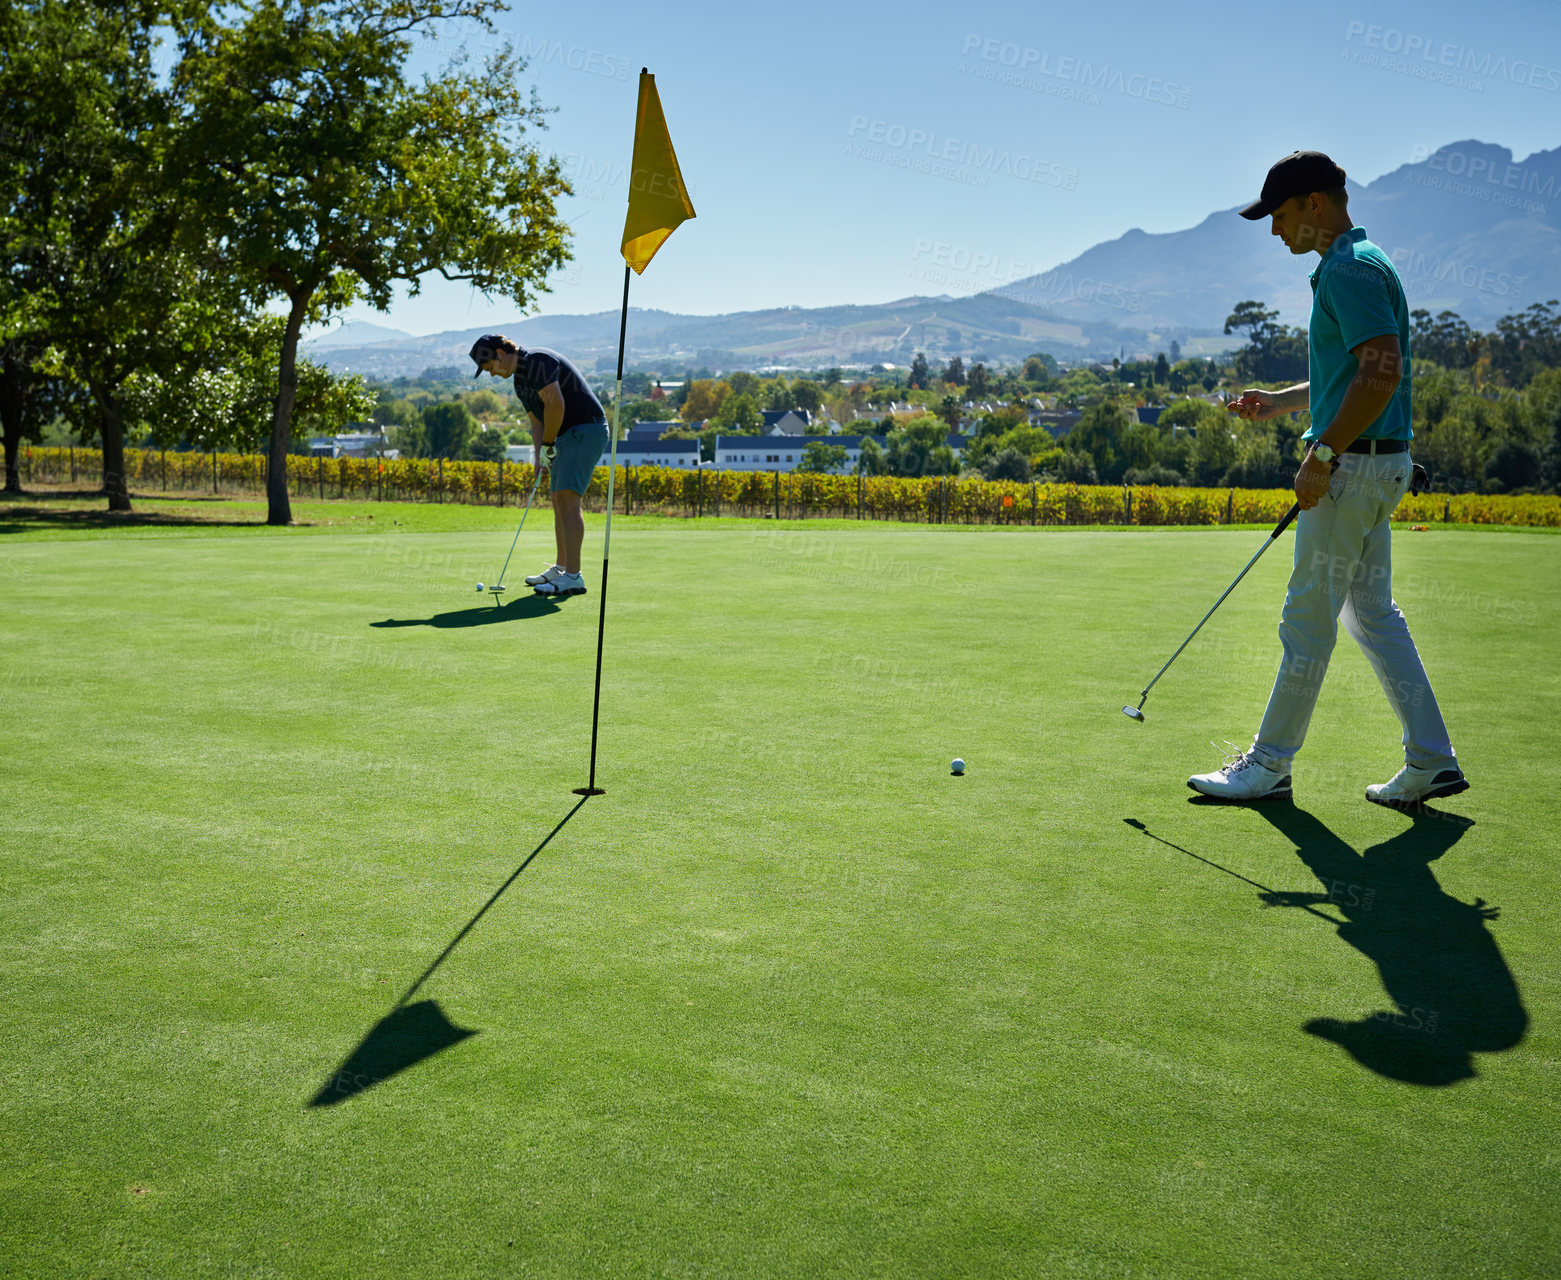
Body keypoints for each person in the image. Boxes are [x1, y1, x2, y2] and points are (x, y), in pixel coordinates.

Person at [1187, 151, 1466, 807]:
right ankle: (1430, 759)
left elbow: (1380, 373)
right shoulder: (1364, 264)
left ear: (1314, 203)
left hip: (1353, 468)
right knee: (1370, 615)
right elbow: (1353, 375)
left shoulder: (1346, 270)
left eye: (1280, 216)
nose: (1276, 231)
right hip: (1379, 462)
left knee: (1306, 620)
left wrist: (1321, 454)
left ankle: (1268, 766)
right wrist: (1281, 403)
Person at [469, 334, 611, 597]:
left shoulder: (536, 361)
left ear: (500, 353)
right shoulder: (520, 381)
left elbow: (556, 404)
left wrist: (548, 444)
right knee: (558, 500)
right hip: (565, 435)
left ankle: (573, 577)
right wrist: (540, 458)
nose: (491, 375)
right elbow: (537, 421)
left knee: (568, 500)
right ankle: (561, 568)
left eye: (490, 368)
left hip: (585, 430)